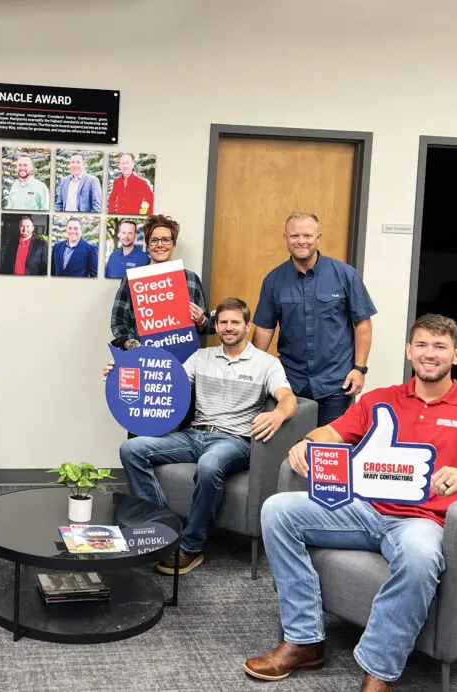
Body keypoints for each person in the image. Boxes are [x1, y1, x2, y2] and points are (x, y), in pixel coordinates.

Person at [243, 314, 457, 691]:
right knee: (277, 510)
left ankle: (379, 670)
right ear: (409, 351)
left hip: (422, 523)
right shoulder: (380, 400)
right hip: (363, 509)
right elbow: (333, 432)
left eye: (440, 347)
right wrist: (310, 441)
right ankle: (304, 641)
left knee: (421, 558)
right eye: (421, 345)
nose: (429, 354)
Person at [108, 298, 297, 574]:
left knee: (209, 465)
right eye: (223, 322)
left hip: (234, 441)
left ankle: (192, 547)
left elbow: (288, 399)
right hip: (194, 435)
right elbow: (163, 382)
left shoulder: (266, 364)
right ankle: (163, 528)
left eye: (235, 322)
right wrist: (119, 372)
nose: (229, 328)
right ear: (216, 326)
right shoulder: (201, 357)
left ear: (248, 326)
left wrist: (278, 414)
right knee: (132, 449)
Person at [252, 212, 377, 427]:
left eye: (308, 235)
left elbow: (362, 325)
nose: (301, 241)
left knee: (328, 449)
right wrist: (252, 371)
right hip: (290, 382)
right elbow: (264, 329)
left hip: (337, 381)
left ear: (318, 238)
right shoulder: (273, 280)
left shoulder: (345, 274)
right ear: (286, 238)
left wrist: (360, 369)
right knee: (288, 449)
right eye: (294, 236)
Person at [110, 214, 210, 350]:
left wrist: (201, 320)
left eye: (166, 240)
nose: (160, 245)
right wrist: (133, 345)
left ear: (173, 243)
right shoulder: (132, 279)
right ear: (147, 244)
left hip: (184, 360)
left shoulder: (191, 279)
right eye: (154, 240)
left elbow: (207, 327)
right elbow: (118, 322)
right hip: (144, 359)